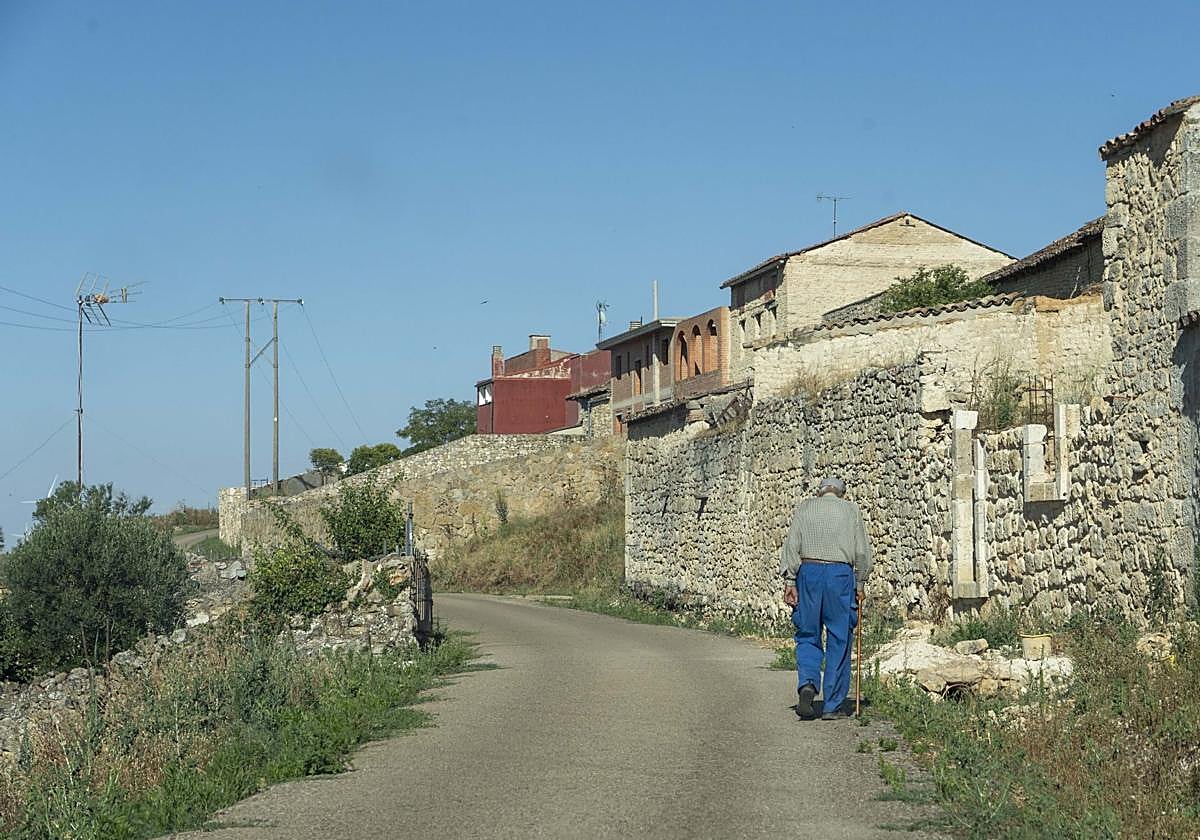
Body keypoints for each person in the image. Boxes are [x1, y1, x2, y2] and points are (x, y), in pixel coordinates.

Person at [780, 476, 872, 720]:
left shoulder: (805, 507)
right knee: (839, 637)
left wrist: (790, 581)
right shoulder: (851, 510)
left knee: (808, 633)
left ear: (820, 492)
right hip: (839, 576)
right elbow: (861, 551)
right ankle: (832, 705)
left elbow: (792, 546)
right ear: (841, 492)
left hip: (808, 572)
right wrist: (860, 582)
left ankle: (808, 683)